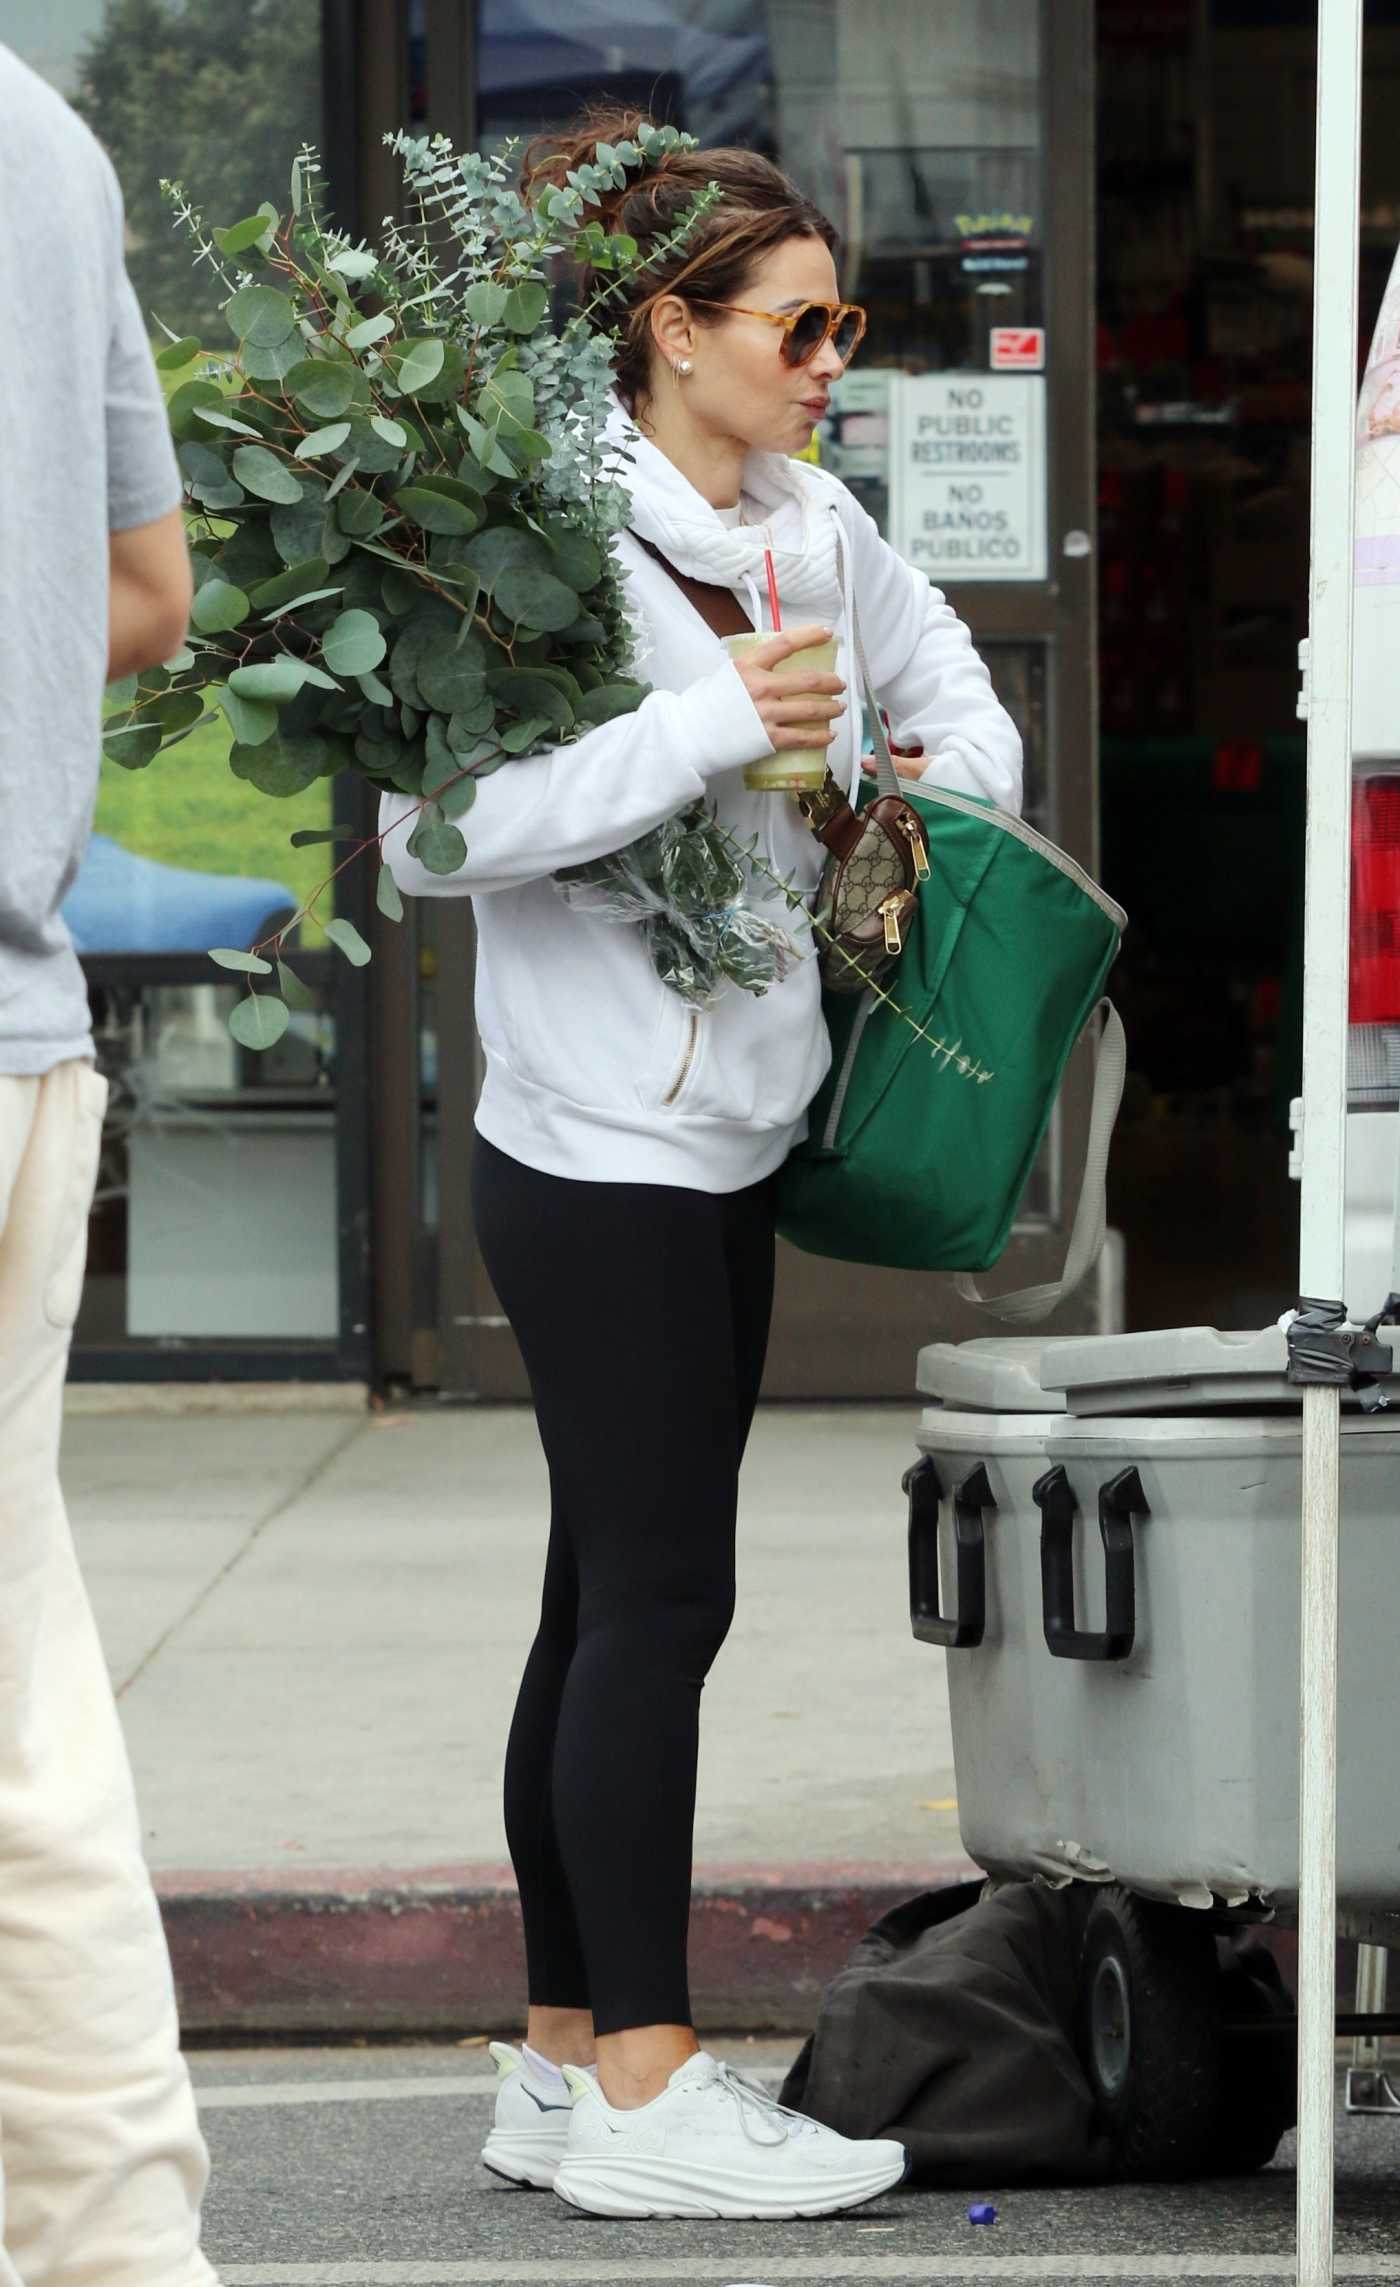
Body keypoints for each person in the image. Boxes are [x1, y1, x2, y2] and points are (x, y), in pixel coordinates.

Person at [379, 107, 1021, 2223]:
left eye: (845, 318)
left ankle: (564, 2066)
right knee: (662, 1598)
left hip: (730, 1131)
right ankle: (651, 2091)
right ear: (672, 330)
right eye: (802, 320)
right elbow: (424, 835)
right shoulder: (544, 531)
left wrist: (917, 783)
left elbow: (956, 700)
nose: (836, 352)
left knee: (600, 1601)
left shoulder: (818, 527)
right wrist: (707, 729)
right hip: (592, 1150)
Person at [0, 43, 218, 2287]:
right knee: (24, 1713)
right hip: (16, 1034)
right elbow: (147, 586)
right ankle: (113, 2245)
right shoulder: (41, 141)